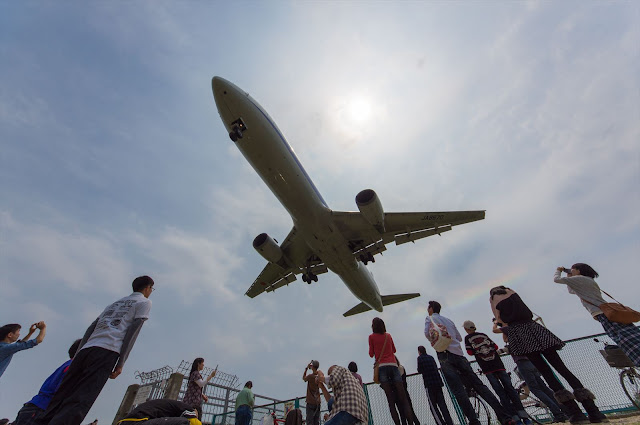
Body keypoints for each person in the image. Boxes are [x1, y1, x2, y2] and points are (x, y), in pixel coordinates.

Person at [37, 275, 155, 425]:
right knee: (82, 398)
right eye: (151, 289)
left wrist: (79, 352)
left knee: (62, 394)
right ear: (147, 288)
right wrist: (121, 362)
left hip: (85, 350)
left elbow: (91, 328)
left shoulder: (114, 303)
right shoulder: (144, 302)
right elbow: (132, 333)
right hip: (107, 351)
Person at [490, 285, 606, 424]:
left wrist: (498, 318)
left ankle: (575, 413)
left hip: (519, 334)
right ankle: (593, 411)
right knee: (563, 369)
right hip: (534, 328)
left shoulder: (493, 299)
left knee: (547, 374)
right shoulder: (512, 291)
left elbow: (499, 319)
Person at [424, 301, 514, 425]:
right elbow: (459, 338)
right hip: (460, 355)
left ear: (431, 308)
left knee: (459, 391)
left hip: (445, 356)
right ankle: (505, 417)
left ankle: (474, 421)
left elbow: (427, 334)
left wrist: (436, 339)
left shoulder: (429, 319)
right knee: (479, 386)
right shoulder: (449, 320)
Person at [554, 264, 640, 367]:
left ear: (578, 270)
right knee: (631, 334)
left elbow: (556, 279)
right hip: (609, 313)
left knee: (623, 338)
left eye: (573, 269)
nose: (571, 271)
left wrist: (558, 270)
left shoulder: (580, 279)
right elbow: (572, 291)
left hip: (603, 314)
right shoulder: (587, 280)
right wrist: (569, 277)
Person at [463, 320, 531, 425]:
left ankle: (514, 418)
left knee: (501, 393)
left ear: (466, 329)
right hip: (498, 364)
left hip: (487, 368)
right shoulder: (484, 335)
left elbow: (470, 352)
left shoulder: (468, 338)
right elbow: (495, 347)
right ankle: (525, 417)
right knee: (511, 390)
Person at [13, 339, 82, 425]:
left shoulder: (67, 365)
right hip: (40, 410)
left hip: (35, 409)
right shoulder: (72, 366)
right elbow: (61, 392)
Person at [369, 317, 412, 425]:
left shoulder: (371, 337)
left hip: (382, 368)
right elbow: (394, 350)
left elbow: (371, 354)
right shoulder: (388, 336)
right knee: (404, 399)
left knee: (391, 401)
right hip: (393, 366)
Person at [417, 345, 453, 425]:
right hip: (437, 382)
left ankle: (440, 423)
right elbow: (435, 367)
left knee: (433, 406)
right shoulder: (431, 357)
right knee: (442, 404)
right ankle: (450, 422)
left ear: (419, 352)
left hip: (429, 384)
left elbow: (420, 370)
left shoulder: (420, 358)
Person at [117, 398, 200, 424]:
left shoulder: (173, 408)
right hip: (136, 422)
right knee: (185, 422)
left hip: (127, 422)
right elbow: (196, 423)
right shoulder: (190, 410)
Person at [395, 356, 420, 425]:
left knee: (402, 414)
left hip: (397, 394)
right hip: (405, 392)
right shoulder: (401, 368)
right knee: (411, 411)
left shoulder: (394, 371)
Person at [302, 360, 321, 425]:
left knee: (310, 422)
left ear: (312, 366)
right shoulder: (319, 376)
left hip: (310, 402)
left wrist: (306, 369)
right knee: (316, 422)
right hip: (317, 402)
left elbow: (304, 378)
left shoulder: (310, 376)